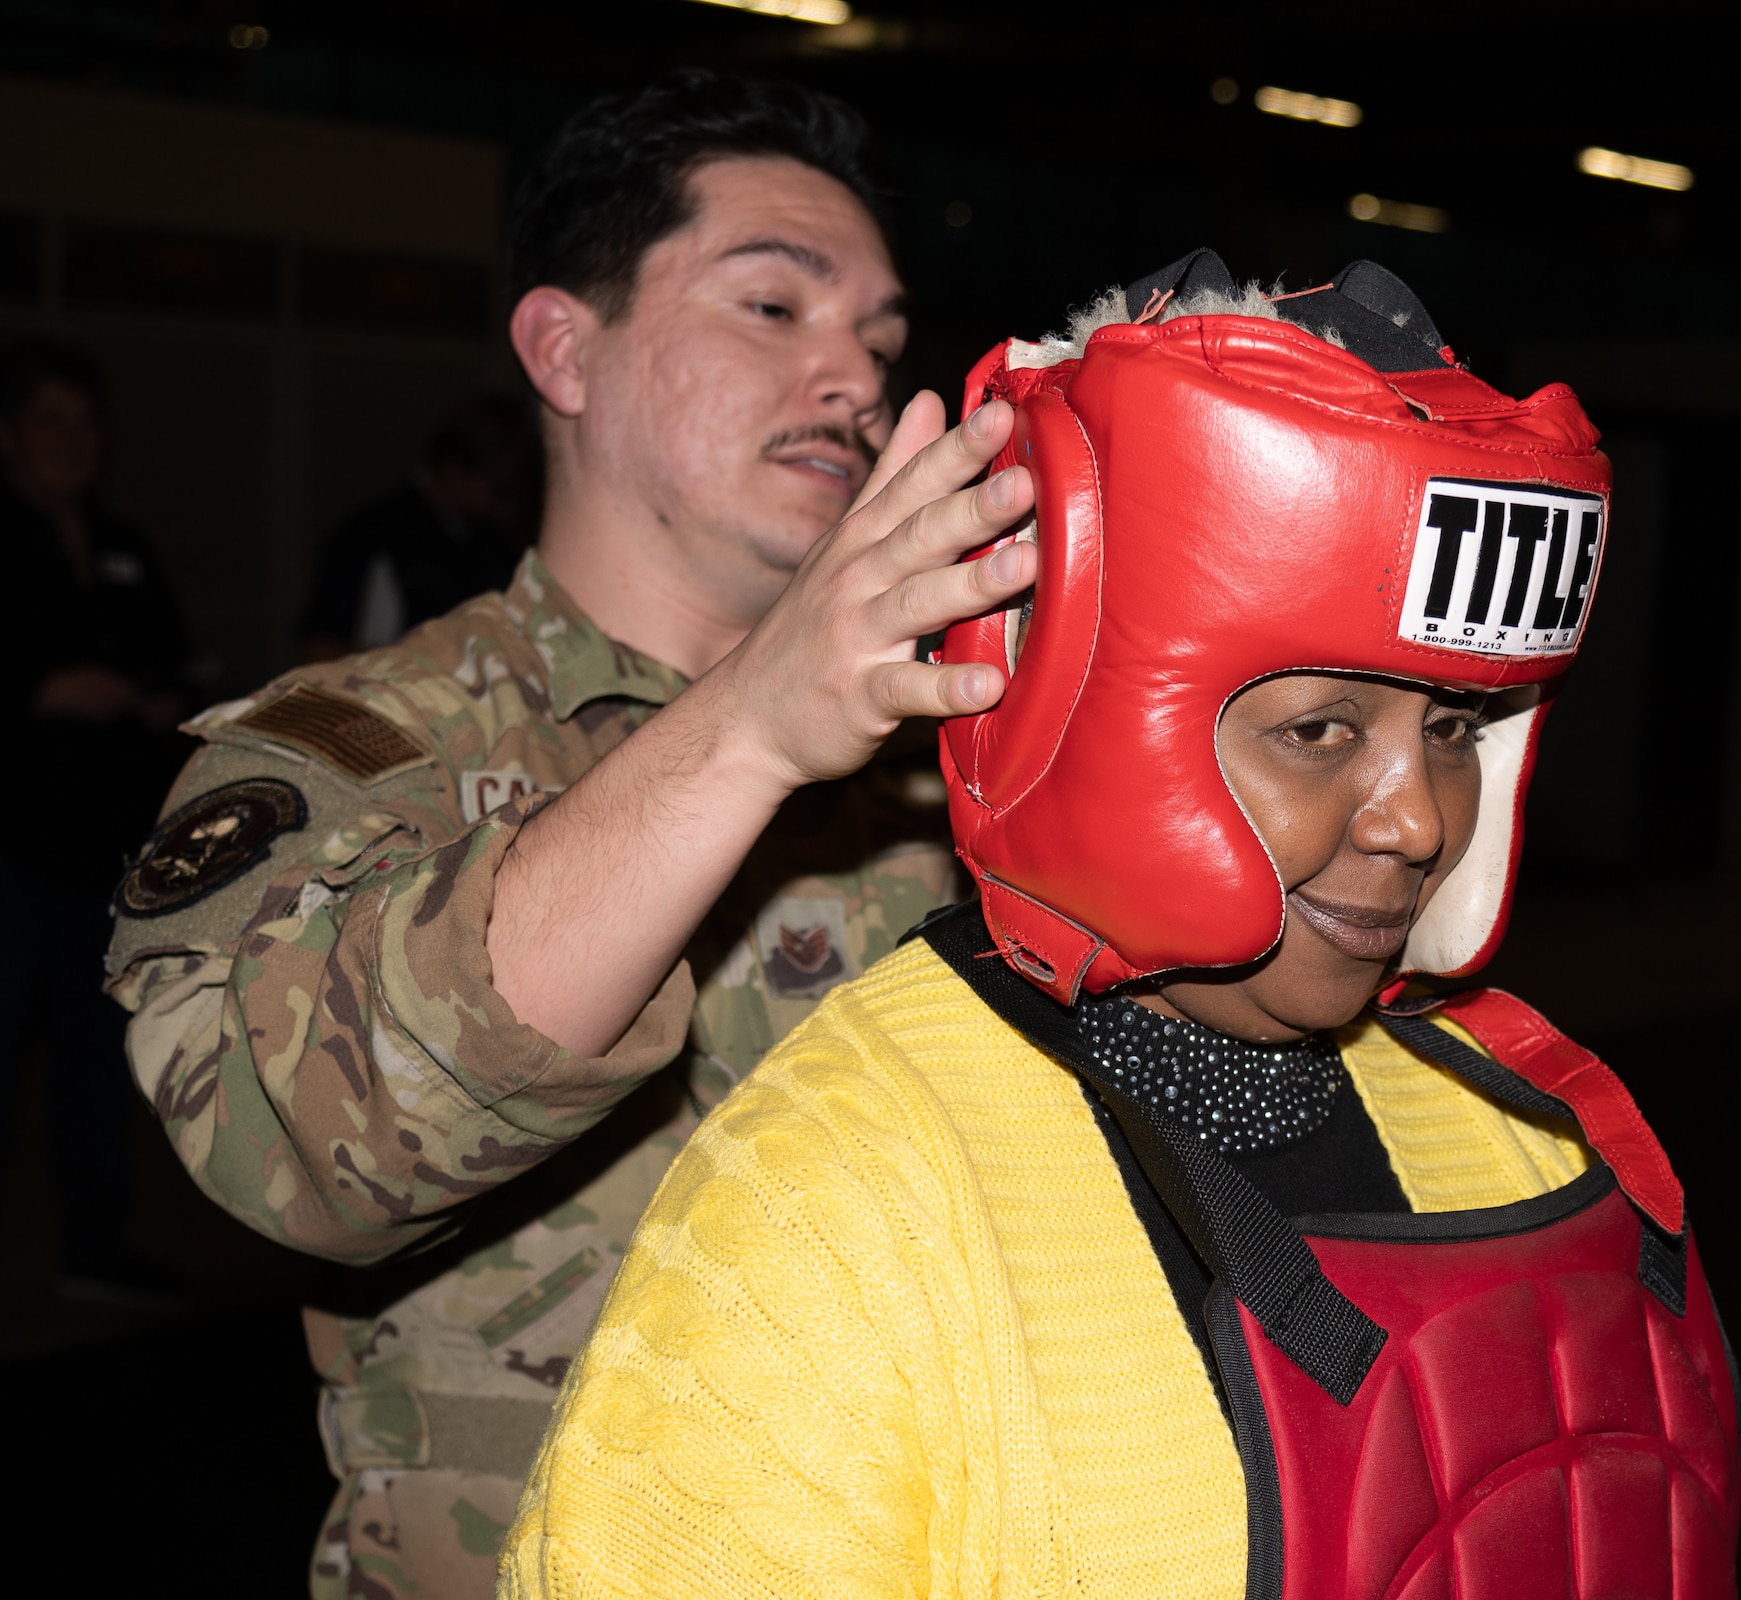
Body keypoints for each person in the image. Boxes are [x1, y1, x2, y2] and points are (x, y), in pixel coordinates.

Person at [499, 253, 1741, 1599]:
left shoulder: (1522, 1129)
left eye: (1451, 728)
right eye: (1321, 730)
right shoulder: (831, 1212)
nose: (1418, 822)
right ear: (1073, 710)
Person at [105, 71, 1040, 1600]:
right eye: (772, 308)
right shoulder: (362, 744)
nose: (857, 378)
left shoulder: (970, 752)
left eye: (879, 337)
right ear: (564, 350)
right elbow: (289, 1153)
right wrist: (749, 720)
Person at [0, 339, 188, 1295]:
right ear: (9, 435)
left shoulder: (120, 546)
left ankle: (95, 1249)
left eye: (85, 422)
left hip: (103, 858)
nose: (71, 441)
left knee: (93, 1056)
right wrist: (42, 690)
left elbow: (171, 657)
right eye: (50, 421)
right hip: (13, 852)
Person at [298, 394, 539, 662]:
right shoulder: (371, 536)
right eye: (500, 492)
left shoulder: (495, 546)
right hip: (392, 695)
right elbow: (320, 647)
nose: (508, 509)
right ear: (455, 467)